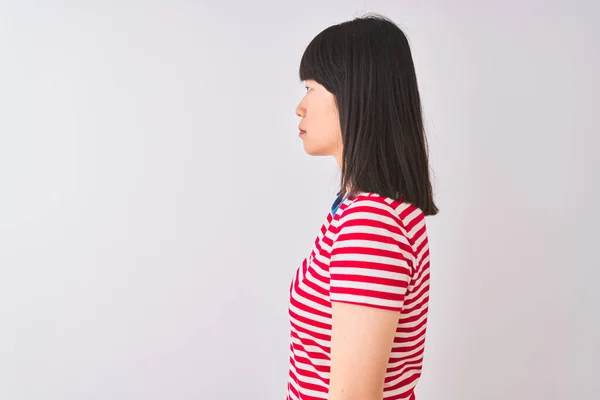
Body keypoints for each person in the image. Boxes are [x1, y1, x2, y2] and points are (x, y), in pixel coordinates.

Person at [288, 14, 438, 400]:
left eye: (311, 88)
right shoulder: (362, 211)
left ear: (352, 94)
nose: (300, 107)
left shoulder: (371, 224)